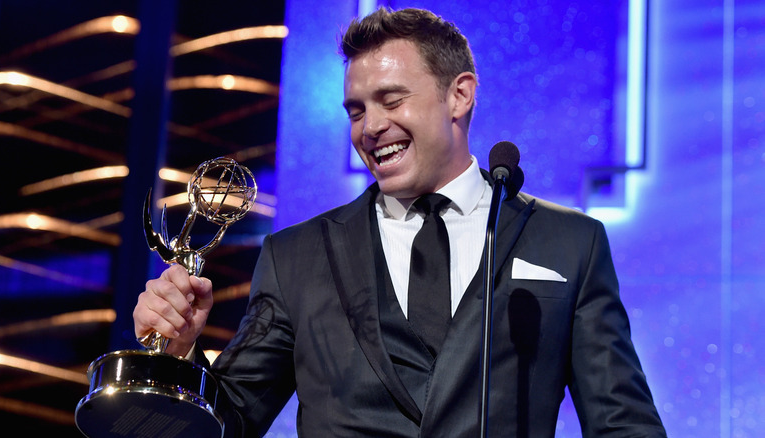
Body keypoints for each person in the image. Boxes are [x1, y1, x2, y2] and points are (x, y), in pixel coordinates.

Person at [134, 7, 667, 437]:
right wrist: (179, 358)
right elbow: (230, 422)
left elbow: (624, 425)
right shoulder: (297, 255)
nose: (371, 127)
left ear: (459, 95)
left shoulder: (569, 243)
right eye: (356, 110)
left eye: (391, 100)